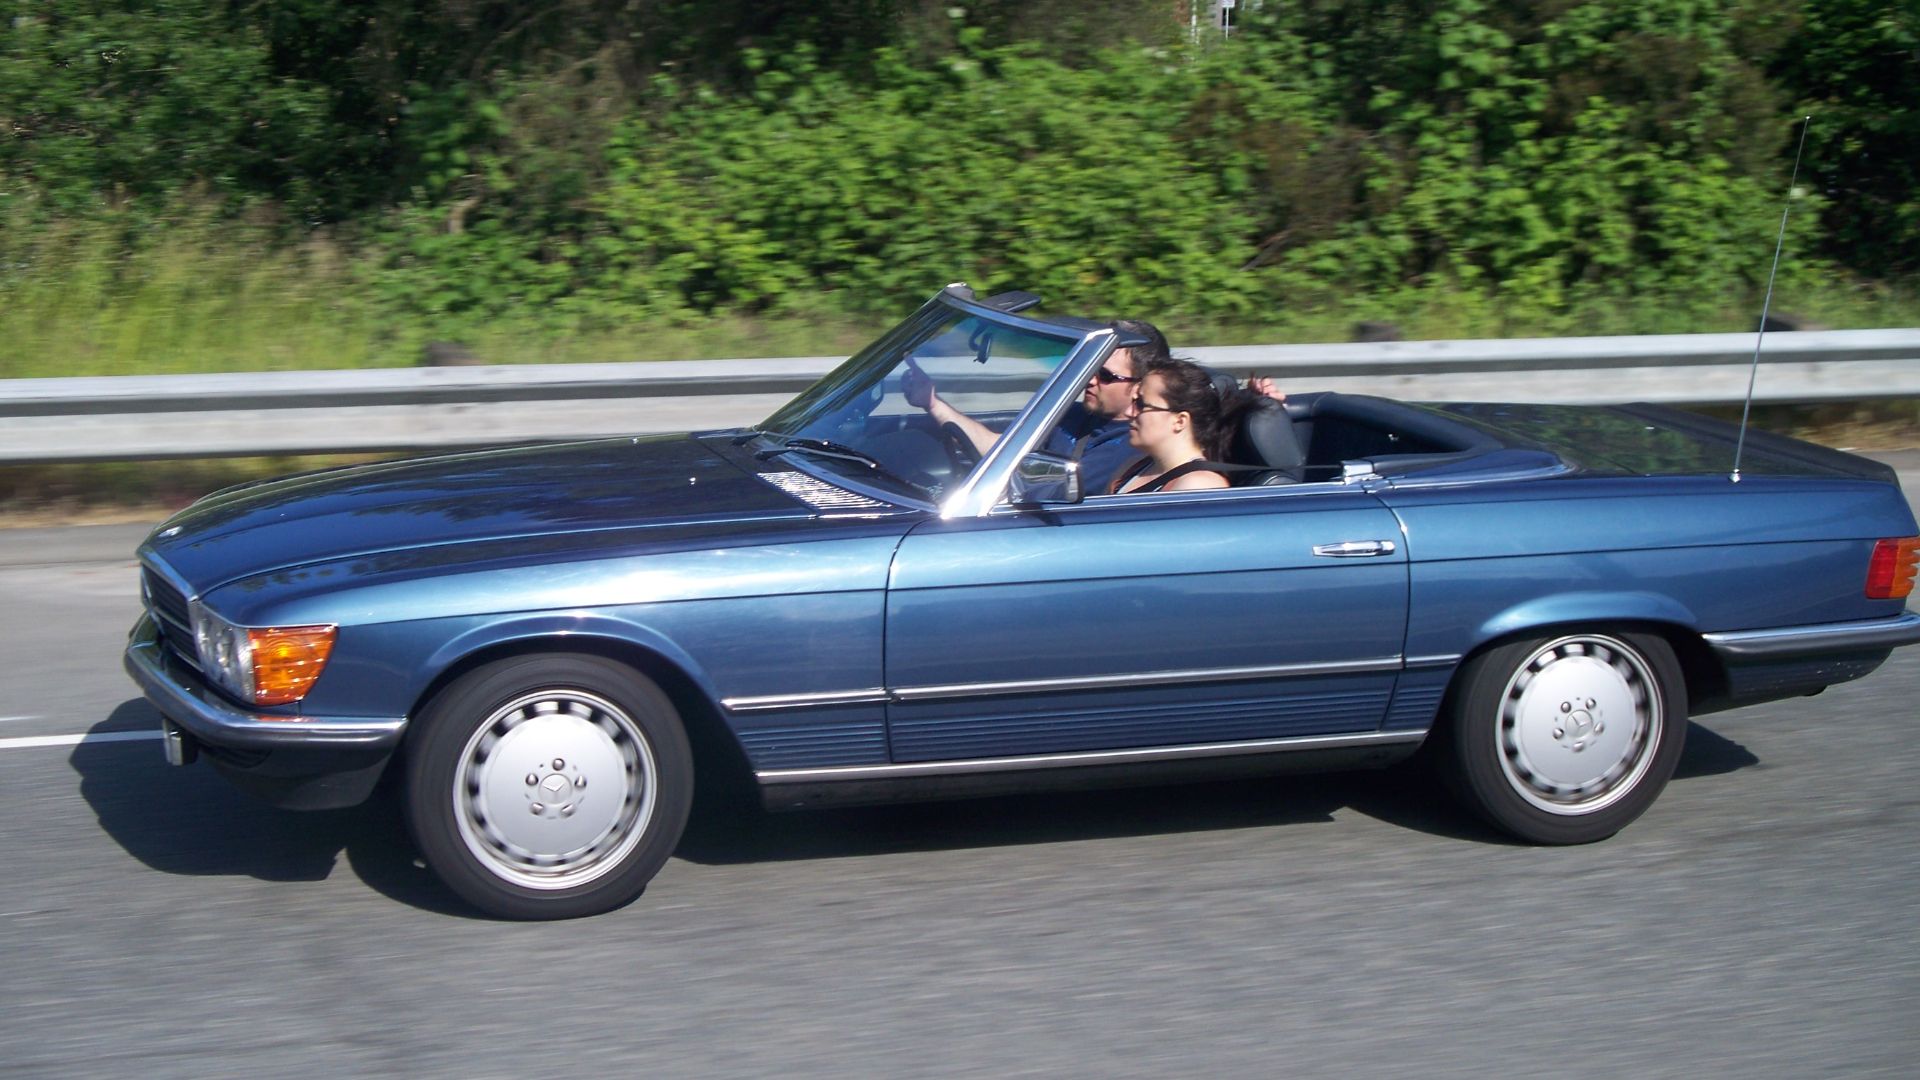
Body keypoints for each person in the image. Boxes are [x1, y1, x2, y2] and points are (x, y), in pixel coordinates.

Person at [901, 318, 1170, 495]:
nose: (1090, 379)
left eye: (1106, 376)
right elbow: (1005, 453)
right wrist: (933, 403)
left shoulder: (1128, 449)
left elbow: (1037, 493)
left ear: (1140, 386)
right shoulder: (1074, 415)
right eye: (1092, 368)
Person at [1110, 358, 1266, 494]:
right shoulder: (1132, 468)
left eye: (1141, 404)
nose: (1129, 412)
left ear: (1179, 421)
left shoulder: (1200, 485)